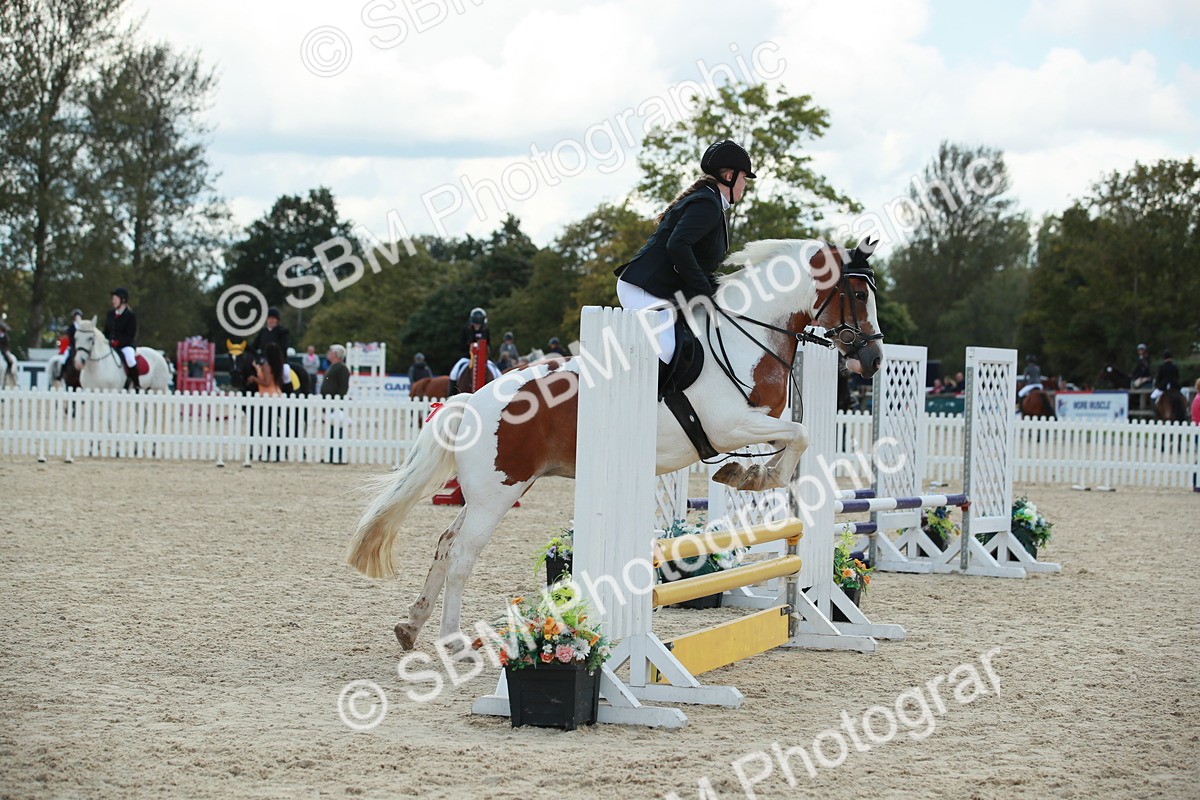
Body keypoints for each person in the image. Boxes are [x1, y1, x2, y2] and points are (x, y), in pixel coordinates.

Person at [613, 139, 752, 368]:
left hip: (662, 289)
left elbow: (695, 258)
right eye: (744, 178)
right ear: (729, 177)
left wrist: (717, 287)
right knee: (668, 349)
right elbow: (677, 245)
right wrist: (703, 289)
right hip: (644, 288)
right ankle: (648, 402)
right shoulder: (707, 203)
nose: (744, 184)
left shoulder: (710, 201)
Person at [448, 307, 493, 392]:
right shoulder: (466, 329)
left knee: (497, 373)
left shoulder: (486, 330)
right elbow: (461, 345)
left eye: (479, 324)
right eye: (476, 323)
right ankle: (451, 394)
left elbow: (489, 345)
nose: (477, 325)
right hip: (467, 357)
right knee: (454, 372)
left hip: (483, 358)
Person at [104, 288, 139, 389]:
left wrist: (118, 342)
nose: (113, 301)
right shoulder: (110, 314)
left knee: (130, 359)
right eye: (113, 298)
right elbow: (106, 332)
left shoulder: (130, 316)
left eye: (115, 298)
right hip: (111, 345)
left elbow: (131, 335)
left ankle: (136, 384)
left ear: (123, 300)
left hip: (126, 345)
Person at [322, 344, 351, 464]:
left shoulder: (342, 368)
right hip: (329, 402)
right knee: (331, 430)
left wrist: (338, 401)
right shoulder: (333, 367)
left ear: (336, 354)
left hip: (336, 403)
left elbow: (343, 387)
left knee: (337, 430)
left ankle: (337, 455)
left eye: (331, 351)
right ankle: (330, 454)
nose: (328, 353)